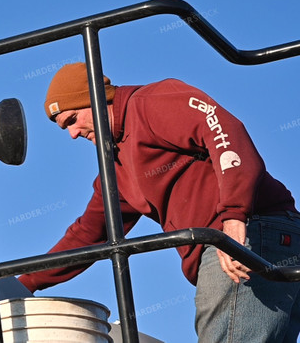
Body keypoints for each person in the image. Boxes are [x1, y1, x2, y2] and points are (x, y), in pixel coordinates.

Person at [18, 63, 300, 342]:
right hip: (266, 240)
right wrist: (21, 283)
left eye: (72, 119)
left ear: (93, 98)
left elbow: (221, 128)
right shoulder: (117, 169)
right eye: (64, 128)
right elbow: (88, 233)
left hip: (246, 236)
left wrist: (234, 216)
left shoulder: (148, 105)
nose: (73, 134)